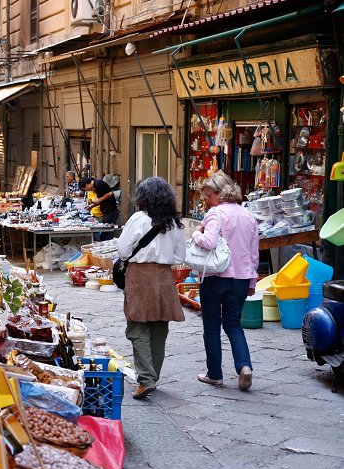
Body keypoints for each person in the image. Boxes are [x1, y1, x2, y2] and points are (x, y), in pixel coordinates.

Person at [116, 177, 185, 399]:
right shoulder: (174, 223)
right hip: (164, 277)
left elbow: (123, 250)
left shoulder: (138, 219)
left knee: (137, 327)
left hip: (140, 276)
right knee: (159, 328)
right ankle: (152, 376)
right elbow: (179, 256)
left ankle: (146, 379)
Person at [191, 171, 258, 392]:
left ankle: (215, 374)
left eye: (208, 195)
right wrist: (251, 282)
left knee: (211, 325)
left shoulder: (215, 214)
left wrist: (195, 235)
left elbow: (209, 242)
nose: (206, 200)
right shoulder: (249, 216)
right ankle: (244, 366)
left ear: (219, 194)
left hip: (215, 277)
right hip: (241, 278)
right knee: (233, 323)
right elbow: (253, 253)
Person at [79, 176, 120, 240]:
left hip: (111, 212)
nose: (86, 190)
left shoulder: (98, 184)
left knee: (107, 234)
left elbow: (110, 193)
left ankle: (107, 248)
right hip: (106, 212)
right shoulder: (95, 187)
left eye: (85, 189)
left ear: (87, 185)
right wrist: (91, 206)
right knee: (104, 233)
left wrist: (99, 200)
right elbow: (100, 200)